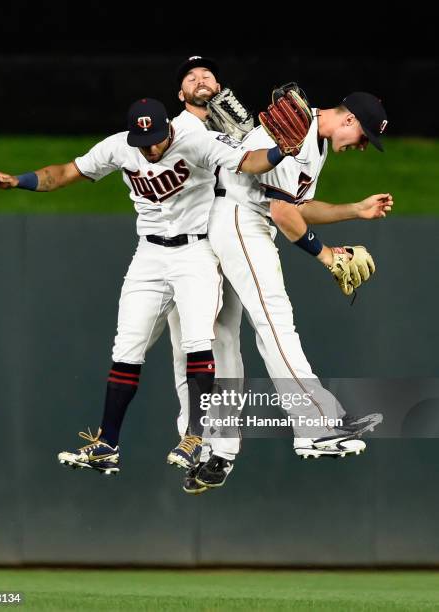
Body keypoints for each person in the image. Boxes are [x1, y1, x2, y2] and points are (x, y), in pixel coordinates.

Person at [0, 97, 288, 475]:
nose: (151, 148)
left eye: (156, 139)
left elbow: (247, 162)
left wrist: (279, 150)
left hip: (196, 252)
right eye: (143, 141)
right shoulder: (120, 146)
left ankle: (195, 438)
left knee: (197, 342)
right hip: (149, 254)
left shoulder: (195, 141)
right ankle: (107, 444)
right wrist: (17, 181)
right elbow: (64, 173)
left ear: (167, 128)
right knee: (127, 346)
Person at [163, 58, 392, 493]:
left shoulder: (314, 142)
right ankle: (315, 426)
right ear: (348, 118)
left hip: (240, 219)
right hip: (236, 218)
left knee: (222, 335)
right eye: (363, 136)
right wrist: (326, 256)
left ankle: (220, 449)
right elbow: (283, 211)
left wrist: (354, 210)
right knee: (273, 320)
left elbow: (299, 206)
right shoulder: (300, 125)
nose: (361, 146)